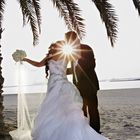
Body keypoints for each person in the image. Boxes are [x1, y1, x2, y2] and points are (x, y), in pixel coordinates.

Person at [22, 40, 108, 140]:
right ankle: (65, 126)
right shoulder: (59, 56)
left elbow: (78, 61)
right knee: (61, 107)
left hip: (58, 84)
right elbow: (38, 64)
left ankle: (65, 127)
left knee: (58, 107)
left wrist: (25, 59)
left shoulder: (56, 57)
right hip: (58, 84)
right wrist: (26, 59)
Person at [65, 31, 101, 133]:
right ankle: (85, 131)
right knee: (81, 111)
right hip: (77, 87)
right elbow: (74, 69)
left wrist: (78, 59)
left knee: (93, 110)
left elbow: (92, 64)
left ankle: (96, 132)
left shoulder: (86, 48)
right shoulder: (71, 52)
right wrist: (62, 71)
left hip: (90, 85)